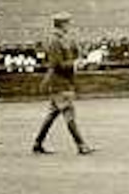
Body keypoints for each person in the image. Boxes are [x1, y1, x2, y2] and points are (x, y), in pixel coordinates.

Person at [33, 12, 95, 155]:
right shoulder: (55, 41)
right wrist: (76, 63)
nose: (70, 25)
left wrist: (77, 57)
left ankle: (37, 143)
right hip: (59, 82)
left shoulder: (62, 39)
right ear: (62, 24)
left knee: (52, 115)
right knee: (69, 114)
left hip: (61, 82)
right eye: (68, 23)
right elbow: (57, 64)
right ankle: (81, 145)